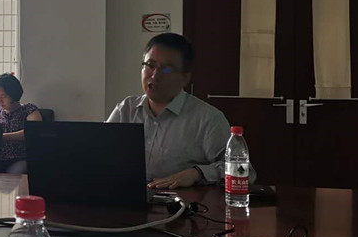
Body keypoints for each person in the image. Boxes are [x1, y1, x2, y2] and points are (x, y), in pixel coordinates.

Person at [107, 32, 253, 189]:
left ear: (185, 78)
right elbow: (100, 152)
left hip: (181, 200)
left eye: (167, 69)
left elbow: (244, 171)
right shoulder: (126, 109)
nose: (155, 76)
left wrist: (198, 173)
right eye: (150, 65)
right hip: (126, 195)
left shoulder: (208, 119)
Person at [0, 73, 42, 173]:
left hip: (19, 158)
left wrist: (3, 137)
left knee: (17, 172)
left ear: (14, 94)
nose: (0, 101)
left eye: (4, 96)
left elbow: (33, 131)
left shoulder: (29, 109)